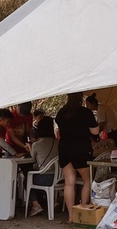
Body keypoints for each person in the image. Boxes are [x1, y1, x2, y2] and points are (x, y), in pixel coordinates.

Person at [55, 92, 99, 220]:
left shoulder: (61, 112)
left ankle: (70, 216)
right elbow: (95, 131)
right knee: (87, 180)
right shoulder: (85, 112)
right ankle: (83, 211)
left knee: (69, 183)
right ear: (81, 98)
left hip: (64, 148)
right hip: (81, 148)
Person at [27, 116, 59, 217]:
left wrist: (29, 147)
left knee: (27, 180)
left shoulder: (37, 144)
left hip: (45, 178)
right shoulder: (58, 142)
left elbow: (33, 159)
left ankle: (36, 205)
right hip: (59, 178)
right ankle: (51, 201)